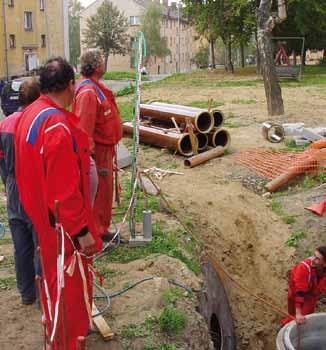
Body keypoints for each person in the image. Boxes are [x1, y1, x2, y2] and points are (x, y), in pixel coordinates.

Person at [14, 57, 101, 349]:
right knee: (67, 295)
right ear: (71, 85)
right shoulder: (56, 127)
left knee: (51, 286)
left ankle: (56, 337)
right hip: (62, 229)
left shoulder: (30, 114)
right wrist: (82, 232)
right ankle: (65, 342)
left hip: (41, 219)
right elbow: (64, 191)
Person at [72, 50, 122, 240]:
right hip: (97, 153)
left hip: (105, 151)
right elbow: (84, 129)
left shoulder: (95, 88)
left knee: (105, 192)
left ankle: (102, 227)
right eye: (102, 60)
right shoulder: (88, 92)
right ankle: (96, 233)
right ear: (96, 66)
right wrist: (90, 158)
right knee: (99, 193)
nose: (104, 63)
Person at [0, 78, 40, 305]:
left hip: (14, 187)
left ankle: (26, 293)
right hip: (33, 186)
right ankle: (43, 291)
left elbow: (1, 161)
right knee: (40, 243)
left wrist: (8, 183)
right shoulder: (36, 122)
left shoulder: (5, 124)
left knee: (21, 245)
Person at [281, 246, 326, 325]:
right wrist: (298, 313)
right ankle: (285, 327)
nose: (313, 260)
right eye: (314, 256)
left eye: (317, 259)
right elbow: (300, 292)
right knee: (295, 317)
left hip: (311, 295)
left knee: (305, 316)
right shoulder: (304, 268)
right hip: (296, 292)